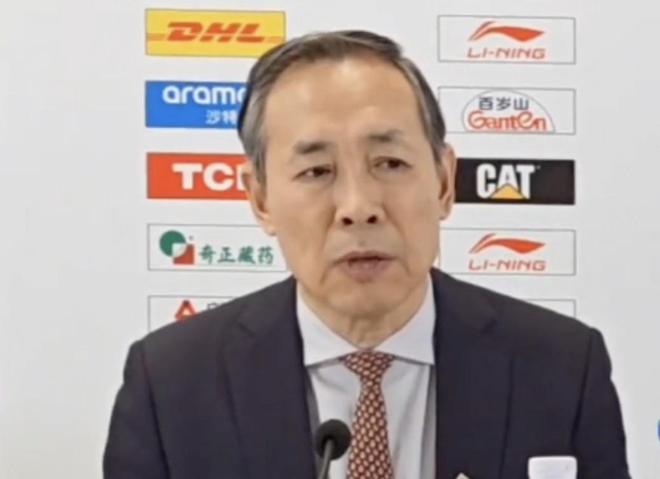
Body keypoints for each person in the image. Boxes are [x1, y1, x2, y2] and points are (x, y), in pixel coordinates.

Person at [104, 30, 630, 479]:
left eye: (390, 163)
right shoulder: (171, 386)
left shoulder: (562, 368)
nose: (358, 208)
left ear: (444, 182)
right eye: (317, 171)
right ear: (261, 199)